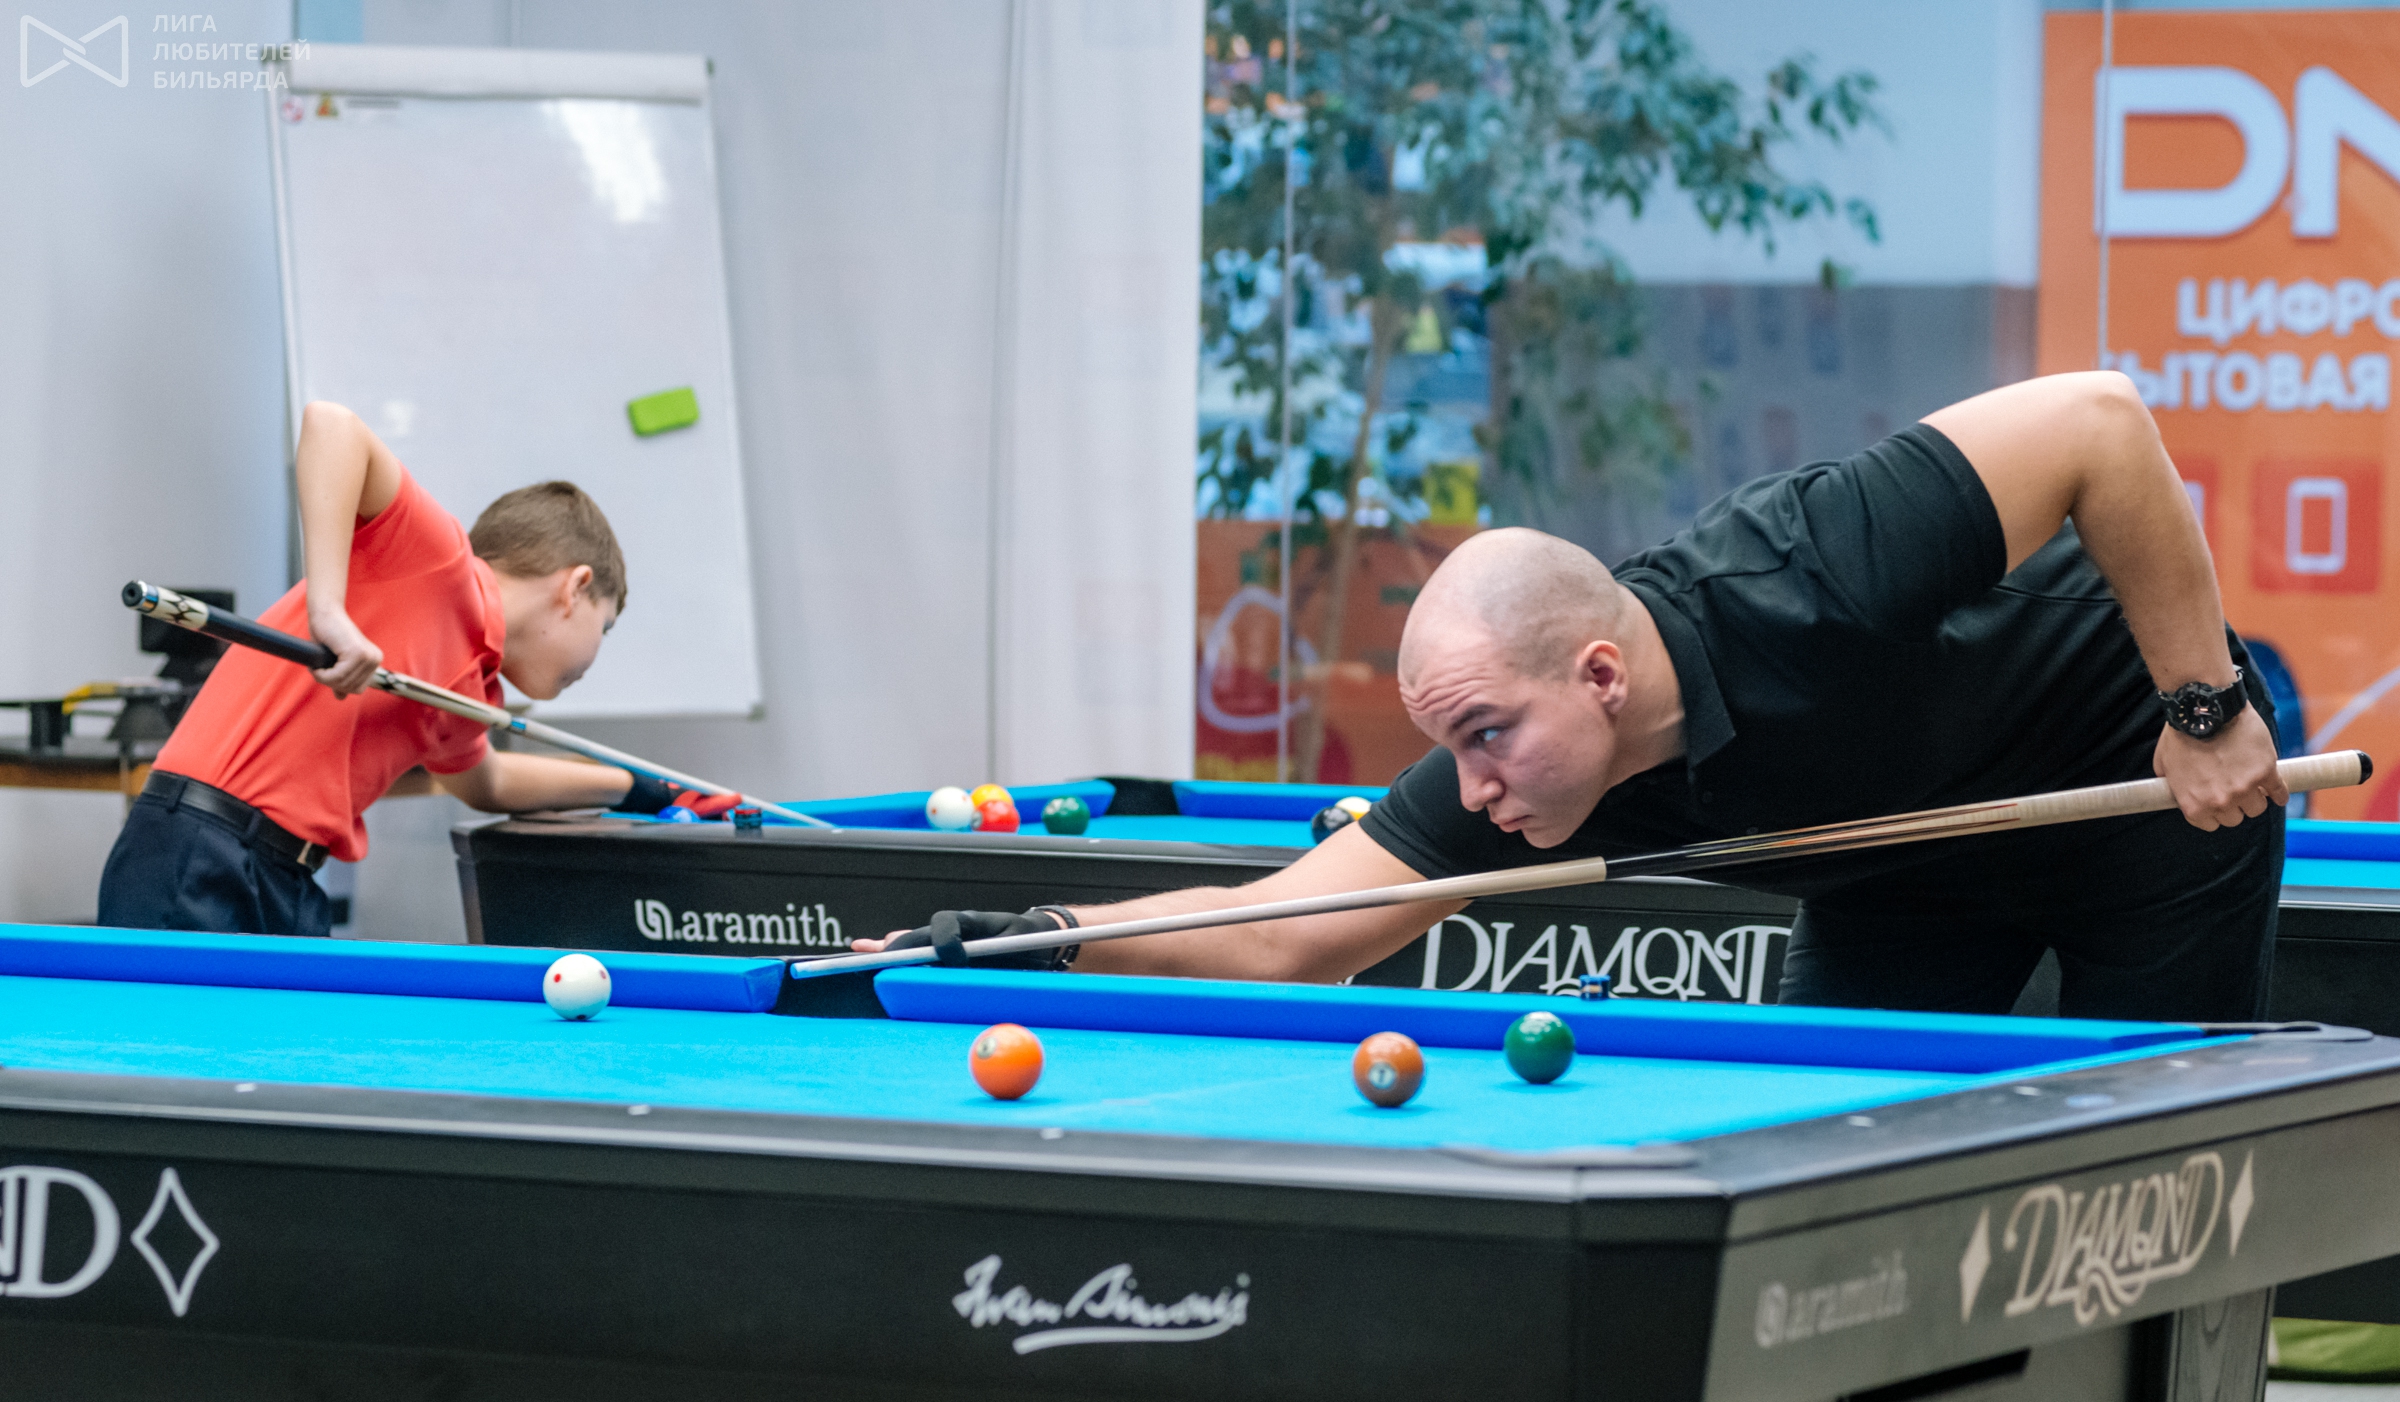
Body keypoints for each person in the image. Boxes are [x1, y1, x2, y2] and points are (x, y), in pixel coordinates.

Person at [859, 371, 2290, 1020]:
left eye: (1487, 737)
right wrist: (1018, 943)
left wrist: (2206, 707)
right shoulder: (1520, 769)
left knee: (2159, 1155)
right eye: (1456, 747)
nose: (1472, 785)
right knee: (1821, 1148)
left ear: (1599, 676)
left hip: (2138, 801)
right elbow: (1283, 933)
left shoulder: (1808, 567)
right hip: (1896, 868)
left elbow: (2103, 425)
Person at [98, 400, 731, 936]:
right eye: (606, 625)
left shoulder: (470, 688)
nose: (596, 655)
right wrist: (328, 612)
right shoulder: (438, 565)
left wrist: (638, 788)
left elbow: (490, 784)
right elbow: (331, 425)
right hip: (198, 851)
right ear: (575, 588)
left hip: (286, 877)